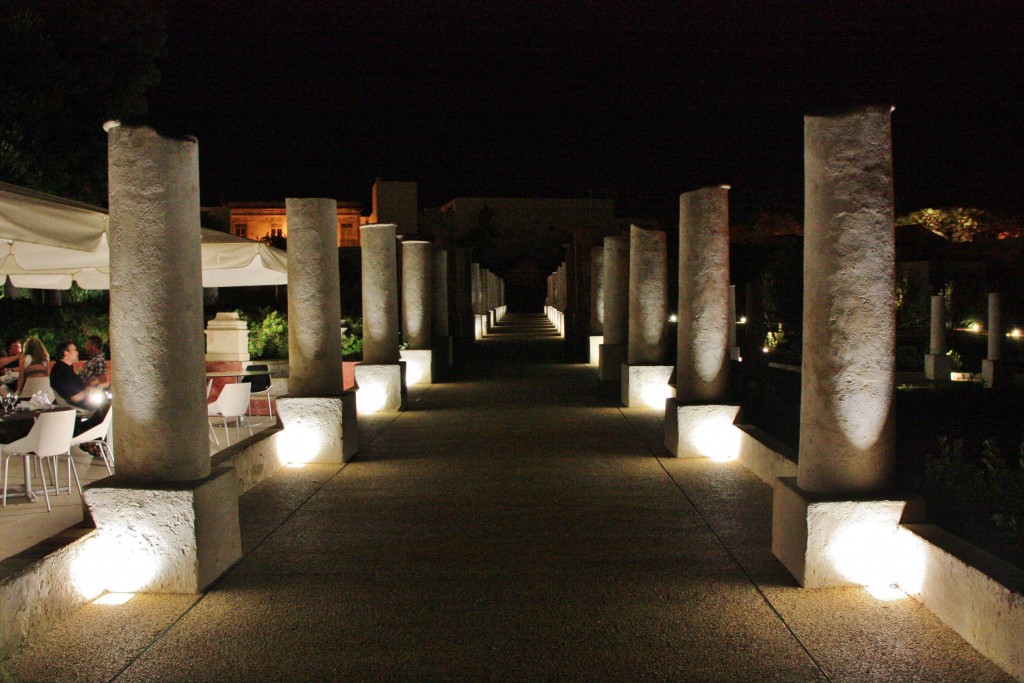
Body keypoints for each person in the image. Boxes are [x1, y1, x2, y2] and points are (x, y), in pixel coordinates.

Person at [49, 340, 109, 437]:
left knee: (108, 406)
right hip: (78, 407)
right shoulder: (62, 371)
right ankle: (81, 436)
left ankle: (85, 437)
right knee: (109, 409)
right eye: (74, 350)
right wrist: (90, 387)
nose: (77, 352)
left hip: (83, 405)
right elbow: (75, 397)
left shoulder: (65, 369)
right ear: (66, 353)